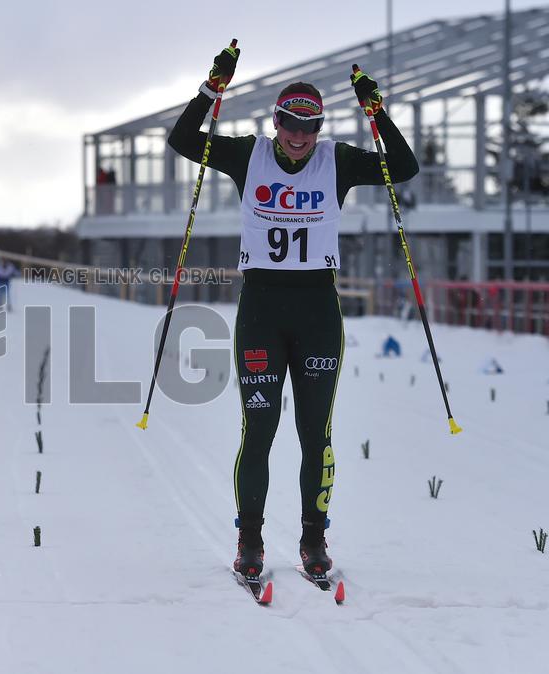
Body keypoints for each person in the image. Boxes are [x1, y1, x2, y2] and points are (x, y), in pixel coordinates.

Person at [167, 46, 418, 577]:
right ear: (275, 121)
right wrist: (212, 88)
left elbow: (405, 168)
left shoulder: (338, 161)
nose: (298, 136)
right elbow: (183, 141)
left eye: (309, 126)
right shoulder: (248, 154)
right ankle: (250, 541)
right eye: (289, 123)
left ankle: (313, 540)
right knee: (257, 431)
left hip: (317, 314)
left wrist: (378, 113)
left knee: (314, 433)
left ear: (320, 127)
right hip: (261, 310)